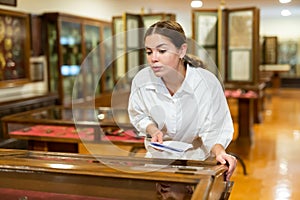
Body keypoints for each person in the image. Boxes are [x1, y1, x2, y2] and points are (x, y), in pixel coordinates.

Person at [127, 20, 236, 181]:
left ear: (182, 50)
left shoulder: (206, 83)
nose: (153, 58)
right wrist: (152, 129)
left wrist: (220, 152)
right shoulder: (141, 80)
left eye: (162, 51)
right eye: (149, 52)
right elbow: (139, 114)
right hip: (157, 162)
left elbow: (213, 128)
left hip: (196, 163)